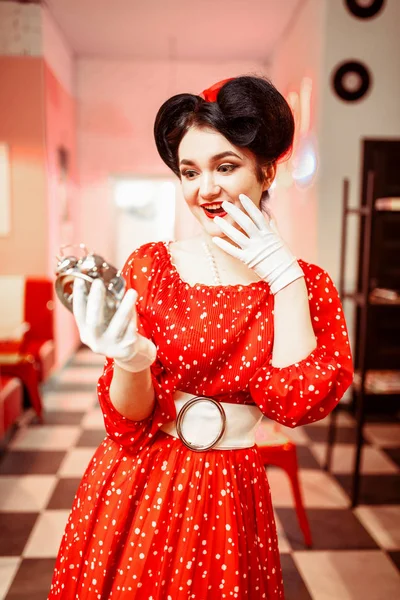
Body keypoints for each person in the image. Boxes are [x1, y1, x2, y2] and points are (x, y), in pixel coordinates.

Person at [48, 75, 354, 599]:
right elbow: (129, 422)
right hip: (137, 483)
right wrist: (131, 358)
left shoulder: (306, 284)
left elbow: (298, 402)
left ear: (267, 170)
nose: (203, 189)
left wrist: (284, 277)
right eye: (189, 171)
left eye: (225, 167)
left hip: (231, 492)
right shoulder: (152, 266)